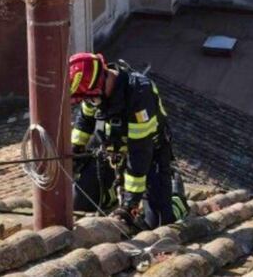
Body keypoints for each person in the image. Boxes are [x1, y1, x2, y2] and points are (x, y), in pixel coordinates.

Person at [68, 52, 188, 230]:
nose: (89, 102)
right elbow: (85, 120)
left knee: (157, 222)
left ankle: (177, 198)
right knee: (79, 201)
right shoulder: (93, 92)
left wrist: (130, 204)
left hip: (149, 155)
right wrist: (75, 150)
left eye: (90, 98)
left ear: (102, 83)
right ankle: (109, 195)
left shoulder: (139, 95)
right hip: (112, 152)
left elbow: (139, 153)